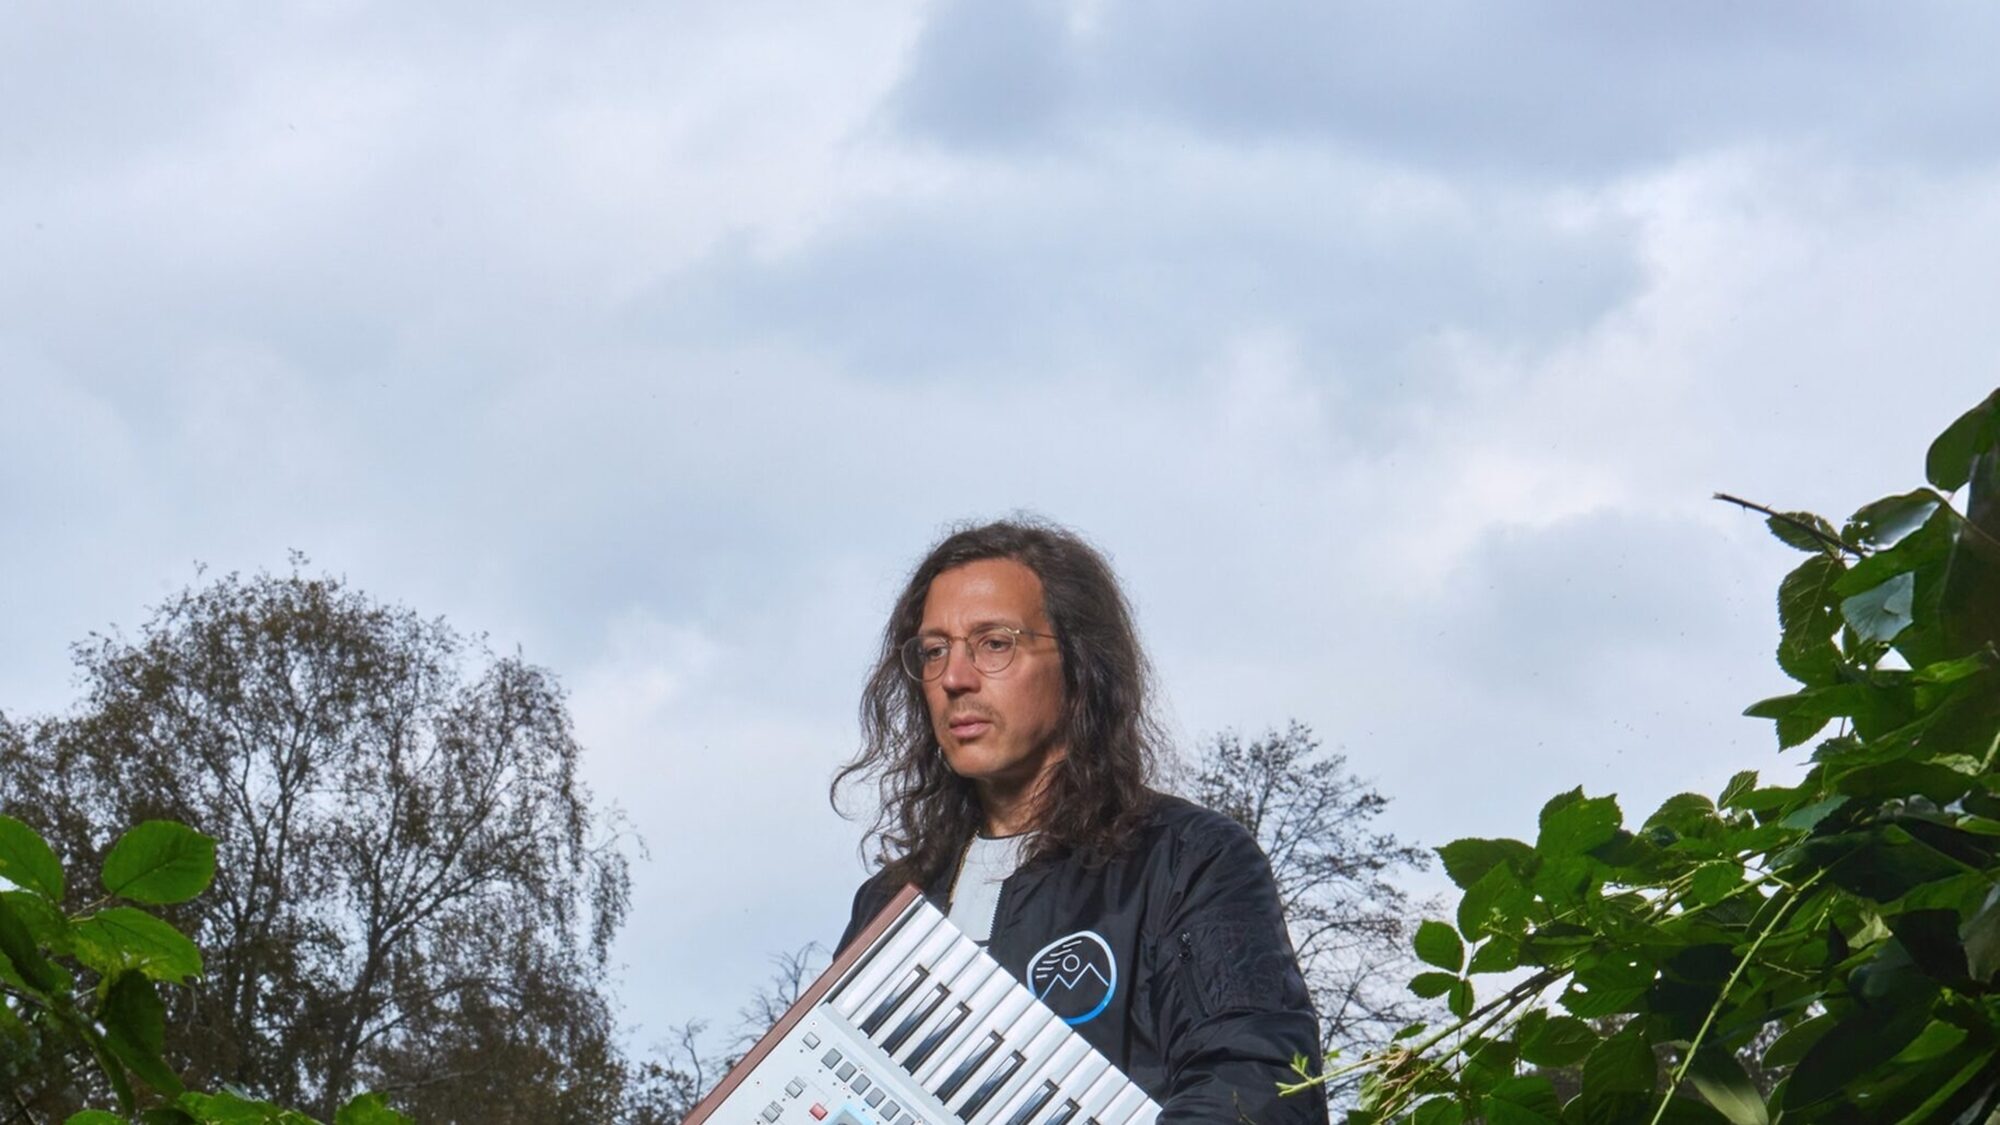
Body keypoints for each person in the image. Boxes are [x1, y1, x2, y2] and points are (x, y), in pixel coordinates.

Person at [834, 518, 1329, 1124]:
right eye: (935, 651)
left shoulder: (1186, 860)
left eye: (994, 643)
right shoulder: (890, 904)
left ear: (1079, 667)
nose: (954, 679)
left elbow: (1256, 1088)